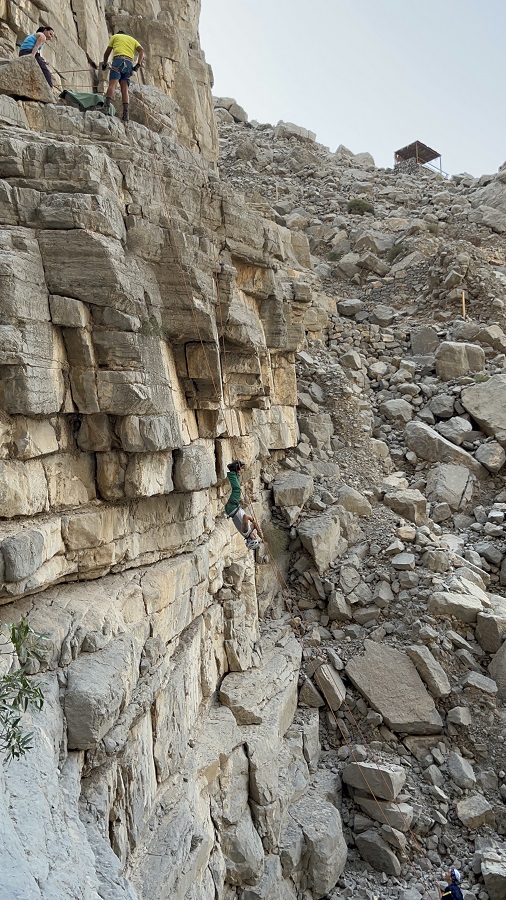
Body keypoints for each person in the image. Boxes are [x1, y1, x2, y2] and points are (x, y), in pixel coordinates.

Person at [101, 29, 144, 122]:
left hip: (118, 61)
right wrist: (138, 64)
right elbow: (141, 51)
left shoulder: (115, 37)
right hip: (129, 64)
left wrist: (104, 64)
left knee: (112, 85)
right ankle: (126, 115)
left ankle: (106, 108)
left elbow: (106, 53)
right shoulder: (132, 40)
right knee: (125, 90)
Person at [225, 461, 263, 551]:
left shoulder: (245, 531)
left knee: (237, 490)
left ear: (251, 538)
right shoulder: (248, 531)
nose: (255, 536)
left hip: (232, 508)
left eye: (255, 537)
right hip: (233, 508)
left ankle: (231, 472)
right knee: (238, 488)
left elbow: (246, 517)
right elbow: (255, 523)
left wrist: (253, 522)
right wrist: (259, 531)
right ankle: (235, 471)